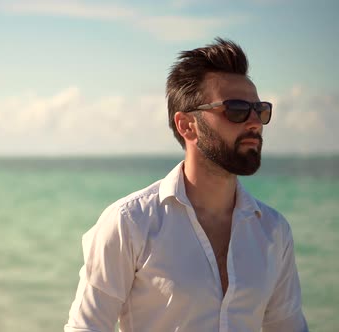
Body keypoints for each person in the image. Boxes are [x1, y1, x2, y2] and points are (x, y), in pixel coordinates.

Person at [64, 38, 308, 332]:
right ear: (186, 125)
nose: (254, 122)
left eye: (260, 110)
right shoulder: (130, 223)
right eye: (236, 109)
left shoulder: (273, 231)